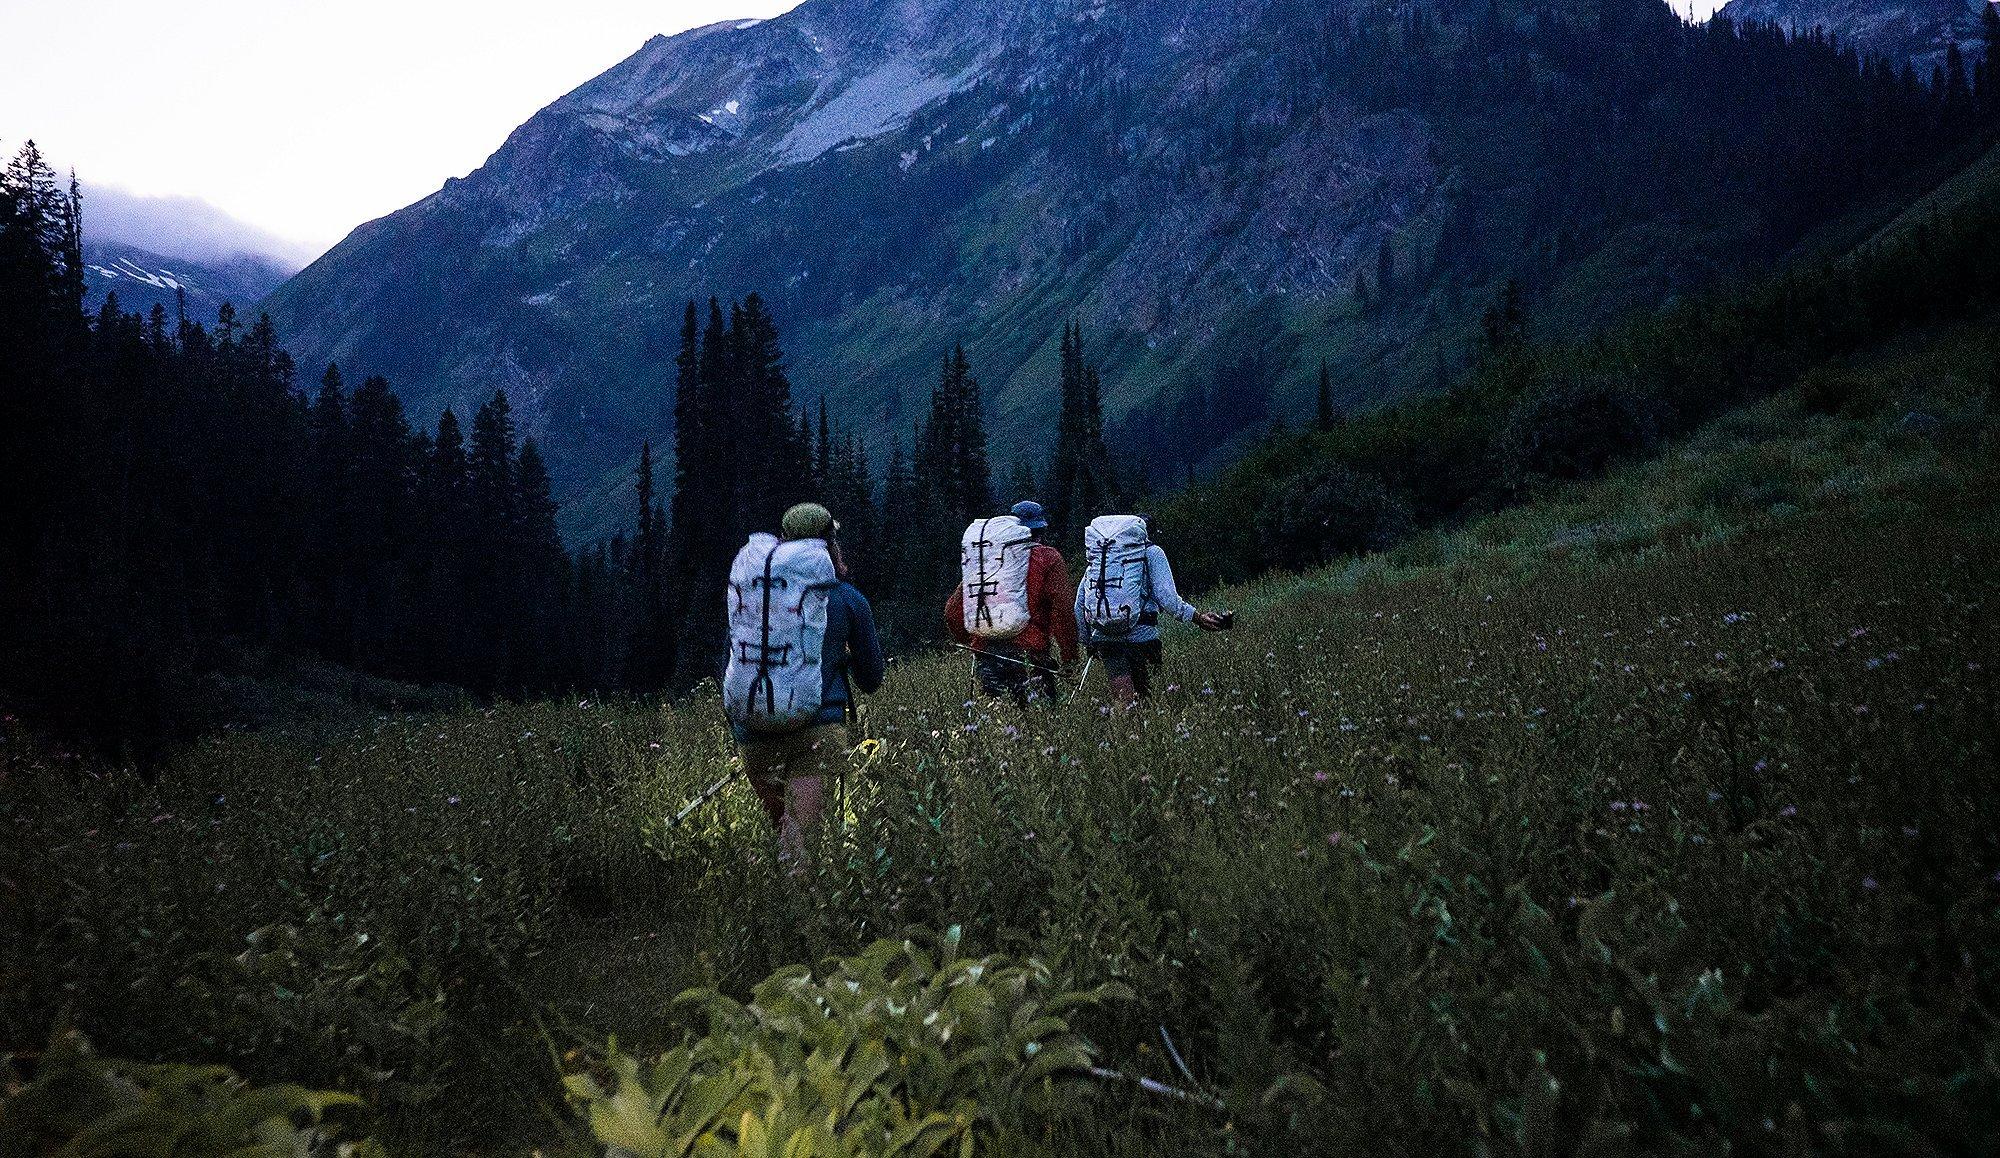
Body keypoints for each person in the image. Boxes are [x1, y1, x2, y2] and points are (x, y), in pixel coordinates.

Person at [733, 503, 884, 858]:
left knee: (785, 833)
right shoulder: (847, 598)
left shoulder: (757, 596)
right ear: (830, 543)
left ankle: (773, 905)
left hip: (753, 736)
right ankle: (803, 910)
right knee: (801, 849)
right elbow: (871, 679)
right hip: (816, 735)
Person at [1074, 513, 1228, 706]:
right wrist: (1197, 617)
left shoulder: (1103, 557)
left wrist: (1088, 642)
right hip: (1143, 638)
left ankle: (1121, 734)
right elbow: (1167, 598)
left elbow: (1080, 603)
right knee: (1149, 701)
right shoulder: (1152, 553)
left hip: (1106, 639)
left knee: (1123, 704)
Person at [945, 500, 1080, 708]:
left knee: (998, 728)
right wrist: (1069, 657)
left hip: (987, 657)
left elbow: (953, 612)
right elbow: (1062, 611)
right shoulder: (1048, 558)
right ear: (1041, 529)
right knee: (1039, 725)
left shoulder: (987, 561)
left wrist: (975, 640)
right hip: (1030, 658)